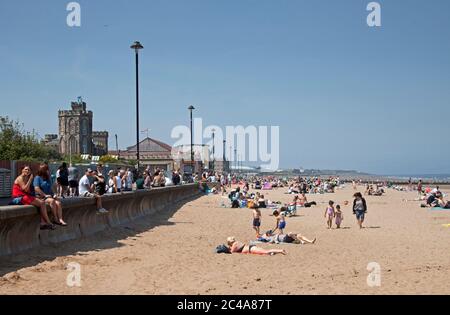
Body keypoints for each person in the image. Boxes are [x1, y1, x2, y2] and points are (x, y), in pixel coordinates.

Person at [11, 166, 54, 230]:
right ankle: (48, 222)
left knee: (42, 202)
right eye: (25, 169)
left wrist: (37, 196)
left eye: (29, 170)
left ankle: (43, 222)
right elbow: (25, 189)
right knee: (42, 203)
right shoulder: (20, 178)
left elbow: (28, 191)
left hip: (24, 197)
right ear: (22, 170)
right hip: (19, 198)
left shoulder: (26, 178)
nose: (27, 171)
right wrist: (30, 180)